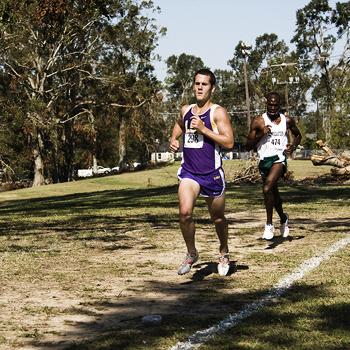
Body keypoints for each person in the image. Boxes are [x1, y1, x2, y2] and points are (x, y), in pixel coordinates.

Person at [169, 68, 234, 276]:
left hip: (212, 174)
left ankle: (223, 251)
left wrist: (204, 129)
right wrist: (173, 139)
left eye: (204, 84)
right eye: (197, 83)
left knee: (218, 218)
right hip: (189, 172)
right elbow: (179, 125)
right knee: (185, 213)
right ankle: (191, 252)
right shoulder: (186, 110)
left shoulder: (217, 112)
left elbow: (230, 142)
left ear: (212, 89)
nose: (199, 87)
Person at [246, 91, 302, 240]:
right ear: (266, 104)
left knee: (267, 187)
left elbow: (298, 135)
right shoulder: (258, 121)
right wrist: (260, 134)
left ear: (279, 105)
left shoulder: (287, 120)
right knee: (273, 194)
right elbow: (248, 145)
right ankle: (283, 218)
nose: (272, 107)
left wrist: (293, 146)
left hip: (279, 158)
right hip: (264, 161)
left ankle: (269, 225)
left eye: (275, 105)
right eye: (270, 104)